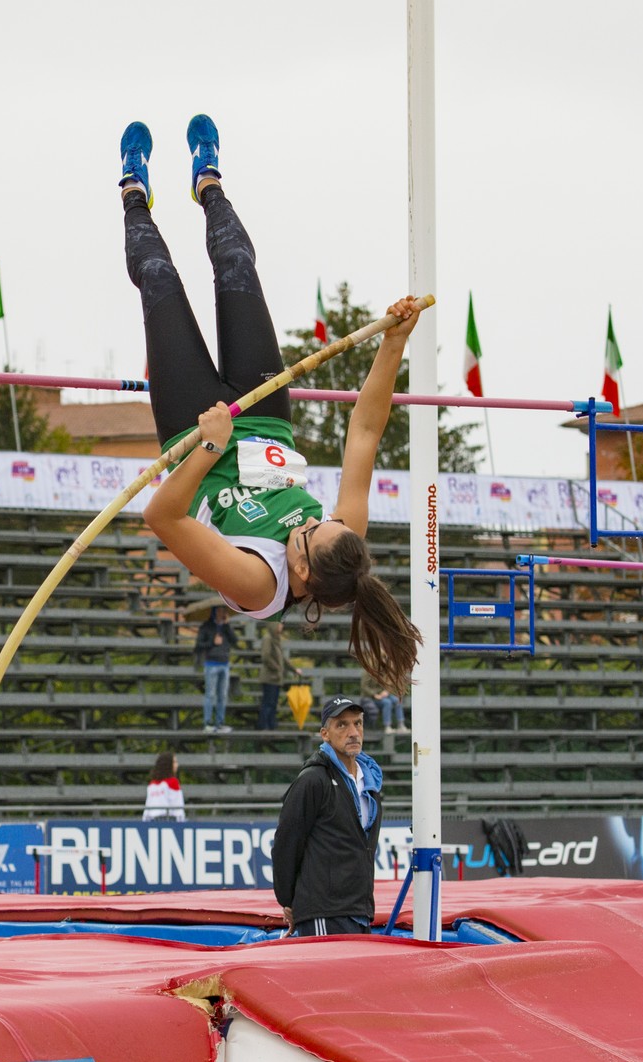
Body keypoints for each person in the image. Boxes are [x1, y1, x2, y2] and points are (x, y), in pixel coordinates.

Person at [123, 117, 423, 698]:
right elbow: (364, 431)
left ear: (302, 571)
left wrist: (209, 446)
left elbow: (163, 518)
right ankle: (209, 181)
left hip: (195, 432)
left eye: (309, 531)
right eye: (322, 520)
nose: (311, 519)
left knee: (160, 281)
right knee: (238, 266)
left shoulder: (259, 583)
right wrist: (394, 344)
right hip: (263, 413)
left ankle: (133, 192)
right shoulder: (343, 540)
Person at [271, 695, 382, 937]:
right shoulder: (313, 780)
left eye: (357, 723)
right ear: (325, 734)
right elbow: (287, 842)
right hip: (324, 911)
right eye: (342, 725)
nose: (353, 732)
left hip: (359, 910)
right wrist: (289, 900)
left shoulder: (371, 783)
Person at [193, 607, 237, 733]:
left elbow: (234, 641)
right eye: (219, 610)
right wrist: (213, 642)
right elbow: (198, 645)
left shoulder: (226, 627)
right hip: (211, 664)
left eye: (224, 611)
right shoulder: (206, 626)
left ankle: (220, 722)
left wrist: (227, 626)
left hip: (224, 663)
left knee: (222, 695)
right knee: (210, 695)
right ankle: (207, 723)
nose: (222, 613)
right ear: (214, 612)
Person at [255, 621, 300, 732]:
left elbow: (282, 659)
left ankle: (271, 726)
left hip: (276, 678)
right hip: (269, 677)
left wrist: (293, 669)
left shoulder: (276, 639)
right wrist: (277, 668)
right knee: (268, 702)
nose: (281, 626)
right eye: (279, 624)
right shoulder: (268, 638)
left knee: (273, 703)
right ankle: (264, 726)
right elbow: (265, 656)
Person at [142, 752, 185, 821]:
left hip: (152, 820)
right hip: (168, 820)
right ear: (168, 765)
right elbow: (178, 805)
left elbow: (147, 807)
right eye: (174, 762)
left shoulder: (152, 784)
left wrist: (144, 821)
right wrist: (181, 821)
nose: (177, 765)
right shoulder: (172, 782)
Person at [360, 670, 405, 736]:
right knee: (387, 702)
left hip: (383, 694)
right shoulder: (367, 672)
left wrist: (387, 691)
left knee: (397, 700)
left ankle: (401, 725)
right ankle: (387, 726)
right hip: (370, 697)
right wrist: (374, 695)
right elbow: (364, 687)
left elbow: (390, 683)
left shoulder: (384, 670)